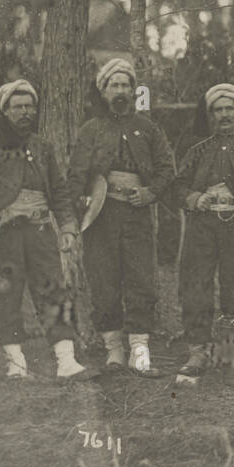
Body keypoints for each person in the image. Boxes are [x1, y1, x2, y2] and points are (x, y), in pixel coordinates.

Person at [0, 79, 93, 380]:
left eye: (29, 106)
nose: (24, 112)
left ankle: (66, 362)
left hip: (40, 231)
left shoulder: (43, 148)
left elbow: (59, 193)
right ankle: (16, 364)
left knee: (54, 292)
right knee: (7, 296)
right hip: (3, 231)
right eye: (17, 107)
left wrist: (66, 227)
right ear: (6, 111)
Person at [66, 57, 175, 377]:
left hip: (138, 214)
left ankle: (139, 351)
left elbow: (167, 168)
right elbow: (76, 174)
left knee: (142, 280)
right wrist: (81, 203)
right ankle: (114, 350)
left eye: (126, 84)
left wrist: (151, 192)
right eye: (114, 85)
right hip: (101, 216)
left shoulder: (147, 128)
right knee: (104, 281)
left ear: (134, 90)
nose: (121, 90)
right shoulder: (91, 130)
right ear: (103, 91)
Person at [173, 83, 234, 377]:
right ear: (210, 114)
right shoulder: (198, 150)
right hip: (202, 226)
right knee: (197, 284)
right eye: (218, 109)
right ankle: (198, 351)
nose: (225, 114)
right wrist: (194, 198)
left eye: (230, 109)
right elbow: (178, 185)